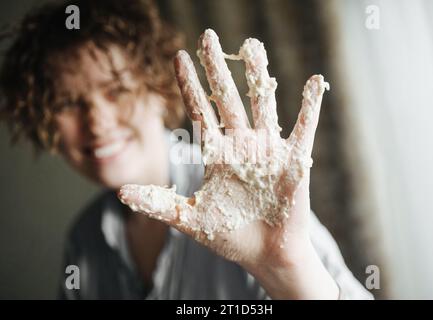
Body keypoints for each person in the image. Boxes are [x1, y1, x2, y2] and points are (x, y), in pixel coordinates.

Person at [0, 0, 373, 299]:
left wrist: (287, 270)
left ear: (159, 91)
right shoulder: (84, 241)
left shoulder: (253, 193)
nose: (96, 120)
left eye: (117, 90)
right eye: (67, 103)